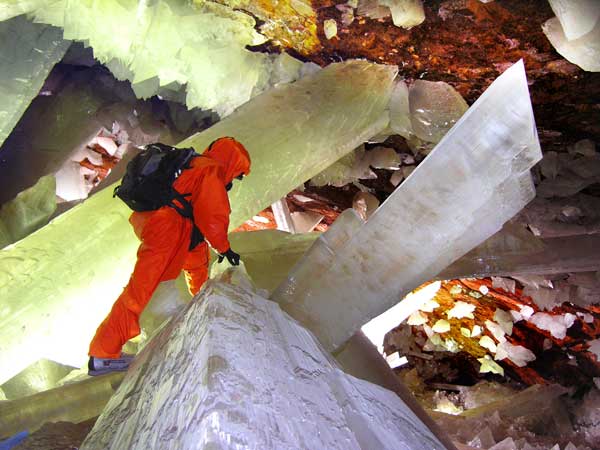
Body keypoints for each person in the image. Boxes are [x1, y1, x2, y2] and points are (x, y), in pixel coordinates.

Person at [87, 137, 251, 376]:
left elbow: (195, 252)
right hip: (165, 226)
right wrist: (224, 248)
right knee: (141, 289)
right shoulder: (210, 170)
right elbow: (213, 218)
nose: (232, 183)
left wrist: (204, 295)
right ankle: (102, 353)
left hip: (168, 224)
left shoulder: (193, 167)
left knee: (152, 284)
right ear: (232, 164)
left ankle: (108, 349)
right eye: (236, 175)